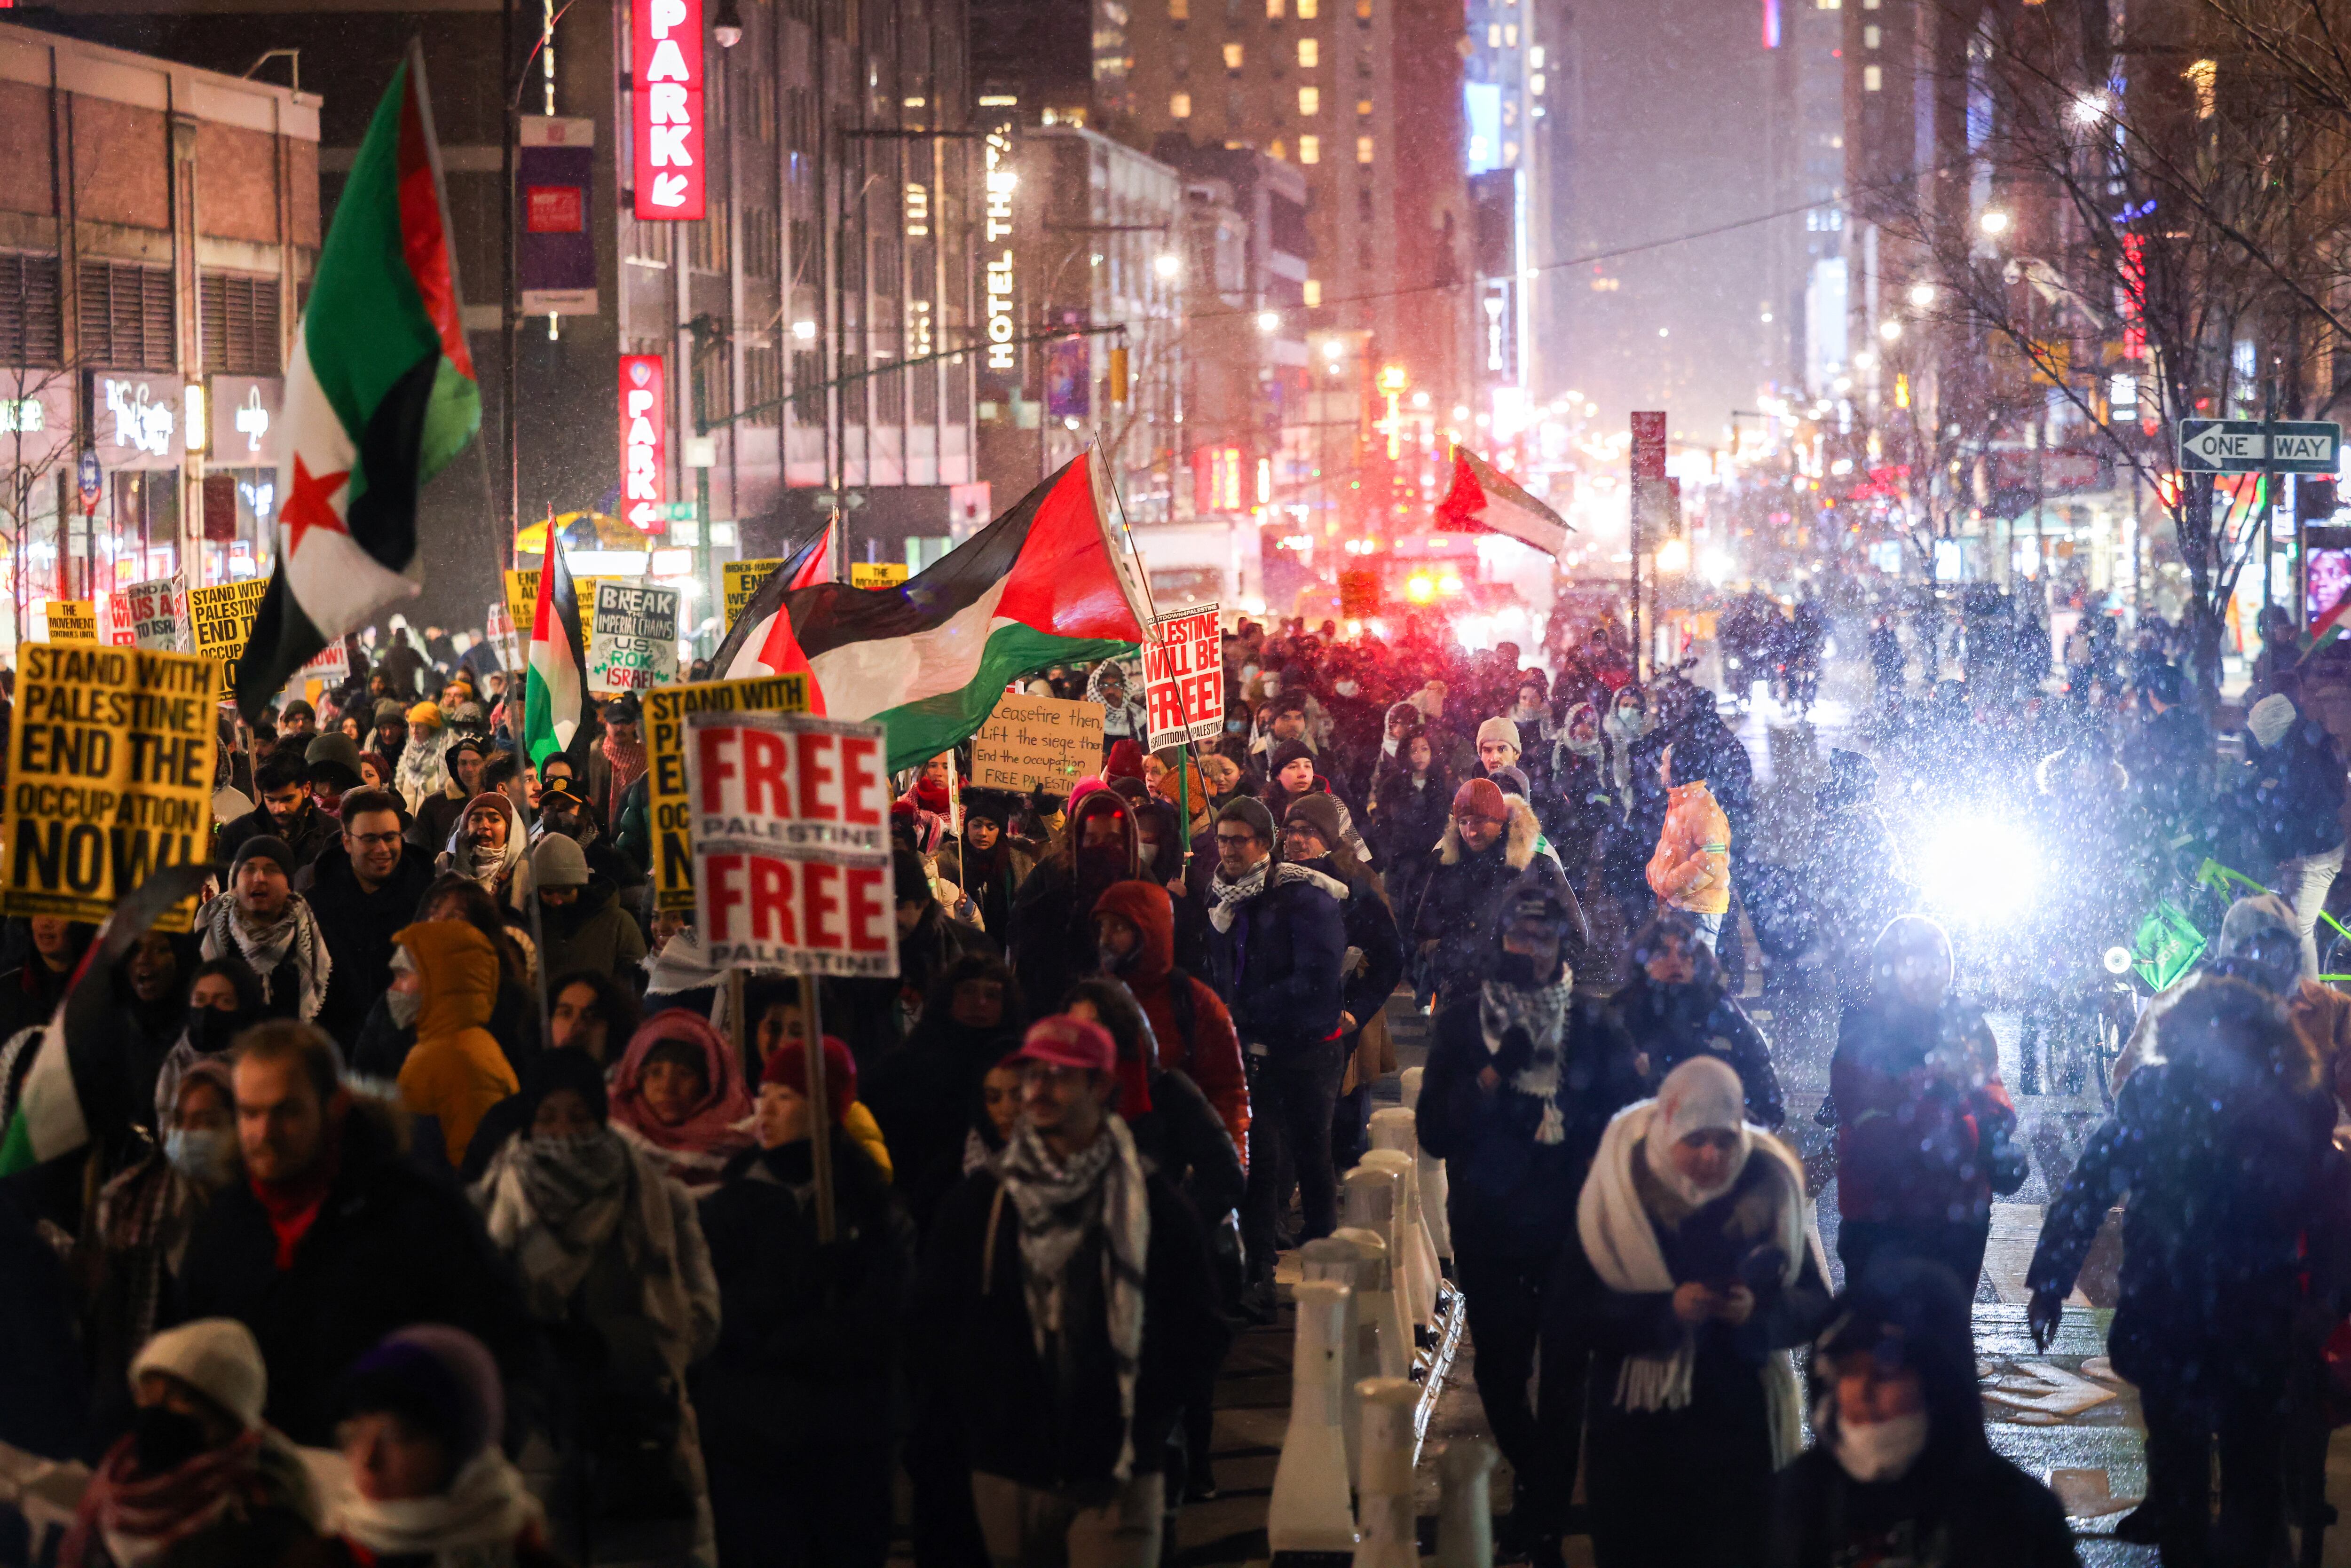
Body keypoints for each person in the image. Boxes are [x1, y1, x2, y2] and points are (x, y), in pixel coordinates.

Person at [2028, 977, 2342, 1564]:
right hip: (2255, 1319)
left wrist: (2049, 1281)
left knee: (2180, 1477)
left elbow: (2088, 1186)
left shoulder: (2154, 1095)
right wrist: (2325, 1298)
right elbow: (2329, 1208)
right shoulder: (2295, 1101)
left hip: (2166, 1313)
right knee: (2253, 1477)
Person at [915, 1015, 1230, 1568]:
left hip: (1119, 1469)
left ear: (1102, 1087)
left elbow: (1197, 1328)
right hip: (1010, 1467)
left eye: (1061, 1076)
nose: (1038, 1090)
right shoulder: (982, 1203)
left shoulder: (1153, 1204)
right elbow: (936, 1324)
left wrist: (1140, 1416)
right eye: (1032, 1074)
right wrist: (987, 1416)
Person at [1415, 879, 1643, 1550]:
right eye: (1519, 935)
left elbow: (1625, 1122)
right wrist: (1490, 1077)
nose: (1532, 951)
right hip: (1490, 1224)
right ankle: (1541, 1479)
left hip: (1572, 1227)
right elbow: (1434, 1131)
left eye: (1544, 937)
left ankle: (1542, 1516)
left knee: (1567, 1373)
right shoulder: (1464, 1020)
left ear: (1562, 941)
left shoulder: (1594, 1023)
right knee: (1501, 1372)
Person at [174, 1021, 532, 1446]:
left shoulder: (414, 1212)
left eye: (286, 1111)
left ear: (335, 1105)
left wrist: (464, 1467)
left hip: (391, 1489)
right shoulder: (227, 1223)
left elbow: (504, 1345)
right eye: (250, 1112)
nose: (264, 1134)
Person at [1573, 1056, 1827, 1566]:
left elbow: (1814, 1304)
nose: (1712, 1154)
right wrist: (1665, 1311)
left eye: (1724, 1139)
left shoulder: (1768, 1185)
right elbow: (1576, 1311)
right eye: (1695, 1139)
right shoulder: (1616, 1196)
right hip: (1638, 1434)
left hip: (1737, 1435)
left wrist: (1756, 1311)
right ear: (1667, 1129)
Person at [473, 1050, 718, 1562]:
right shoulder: (491, 1204)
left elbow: (700, 1313)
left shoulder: (656, 1197)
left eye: (579, 1116)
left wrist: (641, 1352)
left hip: (637, 1435)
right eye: (548, 1117)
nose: (563, 1132)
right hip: (537, 1434)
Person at [697, 1035, 915, 1568]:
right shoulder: (728, 1202)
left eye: (787, 1096)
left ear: (828, 1108)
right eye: (764, 1092)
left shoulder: (867, 1204)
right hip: (749, 1440)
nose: (765, 1109)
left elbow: (885, 1316)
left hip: (844, 1440)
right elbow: (710, 1311)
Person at [1767, 1259, 2077, 1567]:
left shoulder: (2013, 1513)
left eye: (1885, 1373)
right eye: (1847, 1372)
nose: (1862, 1391)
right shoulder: (1796, 1501)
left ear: (1939, 1385)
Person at [1203, 796, 1349, 1310]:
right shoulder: (1221, 895)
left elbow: (1314, 976)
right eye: (1221, 839)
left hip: (1305, 1048)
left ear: (1264, 844)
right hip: (1251, 1048)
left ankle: (1328, 1271)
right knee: (1260, 1159)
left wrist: (1246, 1007)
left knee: (1312, 1157)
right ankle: (1259, 1271)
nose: (1228, 849)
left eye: (1239, 839)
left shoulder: (1303, 896)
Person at [1830, 915, 2020, 1295]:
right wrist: (1948, 1107)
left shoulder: (1967, 1023)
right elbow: (1869, 1113)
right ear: (1890, 969)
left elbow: (1992, 1088)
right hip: (1885, 1212)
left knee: (1947, 1334)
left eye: (1937, 962)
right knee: (1882, 1331)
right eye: (1912, 962)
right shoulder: (1865, 1029)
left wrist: (1994, 1128)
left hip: (1960, 1211)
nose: (1927, 973)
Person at [58, 1317, 321, 1568]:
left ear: (227, 1417)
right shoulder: (118, 1477)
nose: (156, 1413)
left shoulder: (256, 1506)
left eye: (181, 1400)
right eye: (147, 1396)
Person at [79, 1059, 243, 1442]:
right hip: (141, 1409)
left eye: (207, 1120)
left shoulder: (256, 1214)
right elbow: (111, 1331)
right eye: (181, 1119)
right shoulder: (130, 1200)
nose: (189, 1133)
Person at [321, 1326, 566, 1568]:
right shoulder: (328, 1552)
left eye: (395, 1436)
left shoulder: (519, 1552)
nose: (367, 1459)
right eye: (354, 1434)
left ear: (461, 1450)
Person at [1280, 793, 1403, 1170]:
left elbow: (1389, 956)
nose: (1298, 840)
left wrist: (1355, 1011)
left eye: (1310, 832)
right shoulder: (1274, 878)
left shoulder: (1356, 885)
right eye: (1292, 831)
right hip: (1285, 1022)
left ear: (1330, 838)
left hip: (1335, 1023)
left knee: (1335, 1117)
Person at [1090, 879, 1249, 1154]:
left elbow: (1227, 1092)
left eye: (1119, 927)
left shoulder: (1195, 1003)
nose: (1105, 939)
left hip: (1171, 1162)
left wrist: (1226, 1168)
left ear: (1148, 931)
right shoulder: (1091, 1000)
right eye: (1102, 926)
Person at [1413, 777, 1585, 1008]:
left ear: (1501, 820)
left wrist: (1536, 974)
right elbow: (1423, 933)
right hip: (1458, 1004)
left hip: (1525, 1009)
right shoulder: (1446, 867)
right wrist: (1445, 964)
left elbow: (1576, 937)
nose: (1471, 832)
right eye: (1463, 822)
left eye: (1480, 821)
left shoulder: (1539, 868)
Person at [862, 953, 1025, 1190]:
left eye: (991, 995)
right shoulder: (908, 1062)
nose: (979, 1003)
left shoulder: (1020, 1064)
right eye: (968, 991)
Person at [297, 787, 436, 1051]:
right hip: (340, 1055)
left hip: (412, 1051)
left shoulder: (428, 902)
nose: (382, 849)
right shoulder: (317, 905)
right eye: (370, 839)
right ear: (348, 842)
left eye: (390, 837)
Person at [1615, 912, 1784, 1127]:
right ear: (1644, 962)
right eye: (1662, 953)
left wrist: (1745, 1127)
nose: (1675, 961)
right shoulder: (1626, 1011)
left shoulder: (1718, 1007)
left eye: (1684, 953)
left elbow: (1760, 1076)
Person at [388, 921, 520, 1167]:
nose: (394, 988)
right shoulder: (443, 1048)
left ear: (439, 979)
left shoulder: (463, 1061)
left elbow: (472, 1172)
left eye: (403, 975)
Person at [1011, 785, 1142, 1023]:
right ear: (1078, 842)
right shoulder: (1048, 899)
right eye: (1092, 840)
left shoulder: (1145, 897)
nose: (1102, 850)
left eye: (1112, 840)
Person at [2238, 692, 2346, 977]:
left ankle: (2312, 1003)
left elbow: (2296, 812)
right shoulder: (2296, 748)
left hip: (2312, 859)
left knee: (2300, 932)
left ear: (2271, 729)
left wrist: (2262, 803)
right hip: (2311, 852)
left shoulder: (2299, 759)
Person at [606, 1009, 756, 1195]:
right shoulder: (611, 1136)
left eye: (685, 1074)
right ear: (638, 1077)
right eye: (655, 1073)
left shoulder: (739, 1148)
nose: (667, 1087)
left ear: (710, 1084)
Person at [197, 837, 332, 1026]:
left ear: (289, 885)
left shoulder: (320, 942)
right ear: (234, 886)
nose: (259, 878)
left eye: (272, 870)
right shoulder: (204, 944)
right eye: (249, 869)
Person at [1646, 740, 1733, 952]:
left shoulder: (1699, 807)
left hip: (1698, 909)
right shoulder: (1683, 803)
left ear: (1678, 768)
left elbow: (1712, 861)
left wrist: (1671, 883)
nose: (1660, 769)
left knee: (1697, 971)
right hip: (1684, 905)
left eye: (1665, 763)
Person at [530, 835, 647, 982]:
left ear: (581, 887)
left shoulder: (617, 923)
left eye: (566, 891)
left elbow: (636, 983)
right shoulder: (533, 924)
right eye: (548, 892)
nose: (557, 900)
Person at [1368, 728, 1453, 928]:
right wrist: (1390, 854)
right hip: (1401, 866)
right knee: (1400, 921)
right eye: (1413, 750)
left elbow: (1448, 824)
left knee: (1430, 922)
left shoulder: (1444, 785)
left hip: (1433, 866)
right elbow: (1382, 825)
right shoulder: (1393, 785)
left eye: (1425, 749)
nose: (1419, 756)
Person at [939, 789, 1036, 938]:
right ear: (967, 826)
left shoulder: (1021, 860)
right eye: (977, 825)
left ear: (1001, 831)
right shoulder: (948, 860)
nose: (983, 833)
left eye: (991, 827)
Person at [217, 754, 338, 873]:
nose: (279, 809)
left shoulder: (332, 833)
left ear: (306, 790)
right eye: (271, 800)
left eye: (288, 799)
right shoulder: (236, 833)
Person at [436, 789, 529, 906]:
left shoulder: (523, 867)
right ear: (465, 827)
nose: (484, 825)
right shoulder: (446, 862)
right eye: (477, 819)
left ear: (509, 829)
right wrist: (460, 868)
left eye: (494, 820)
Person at [406, 734, 489, 854]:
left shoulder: (499, 800)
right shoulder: (434, 805)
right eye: (463, 763)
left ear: (487, 765)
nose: (469, 769)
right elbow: (418, 849)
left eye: (475, 763)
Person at [392, 701, 453, 813]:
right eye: (412, 726)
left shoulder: (442, 752)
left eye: (419, 726)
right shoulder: (409, 750)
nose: (414, 731)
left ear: (431, 727)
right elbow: (400, 785)